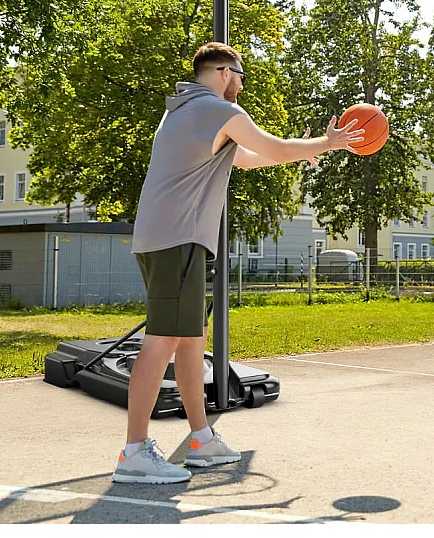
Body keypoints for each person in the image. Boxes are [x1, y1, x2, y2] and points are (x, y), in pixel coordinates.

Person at [113, 42, 365, 484]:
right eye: (242, 76)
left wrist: (308, 150)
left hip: (167, 238)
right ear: (224, 71)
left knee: (191, 340)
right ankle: (134, 452)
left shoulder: (182, 110)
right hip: (179, 240)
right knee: (163, 341)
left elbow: (250, 157)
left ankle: (201, 439)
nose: (243, 85)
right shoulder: (215, 109)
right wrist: (329, 142)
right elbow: (269, 145)